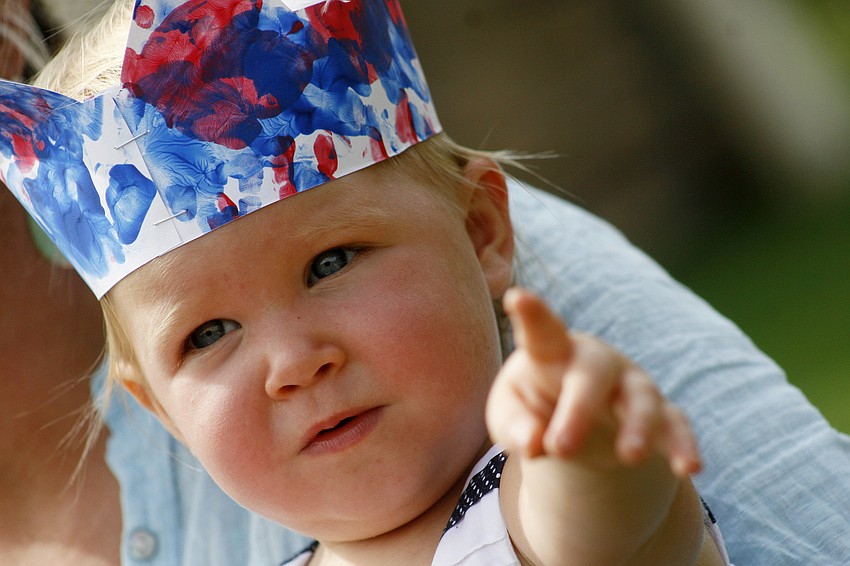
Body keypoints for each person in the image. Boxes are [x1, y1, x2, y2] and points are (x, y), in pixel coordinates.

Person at [2, 0, 850, 564]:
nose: (293, 361)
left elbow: (604, 527)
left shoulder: (515, 509)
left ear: (483, 232)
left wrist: (583, 444)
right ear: (158, 410)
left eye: (329, 263)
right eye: (208, 334)